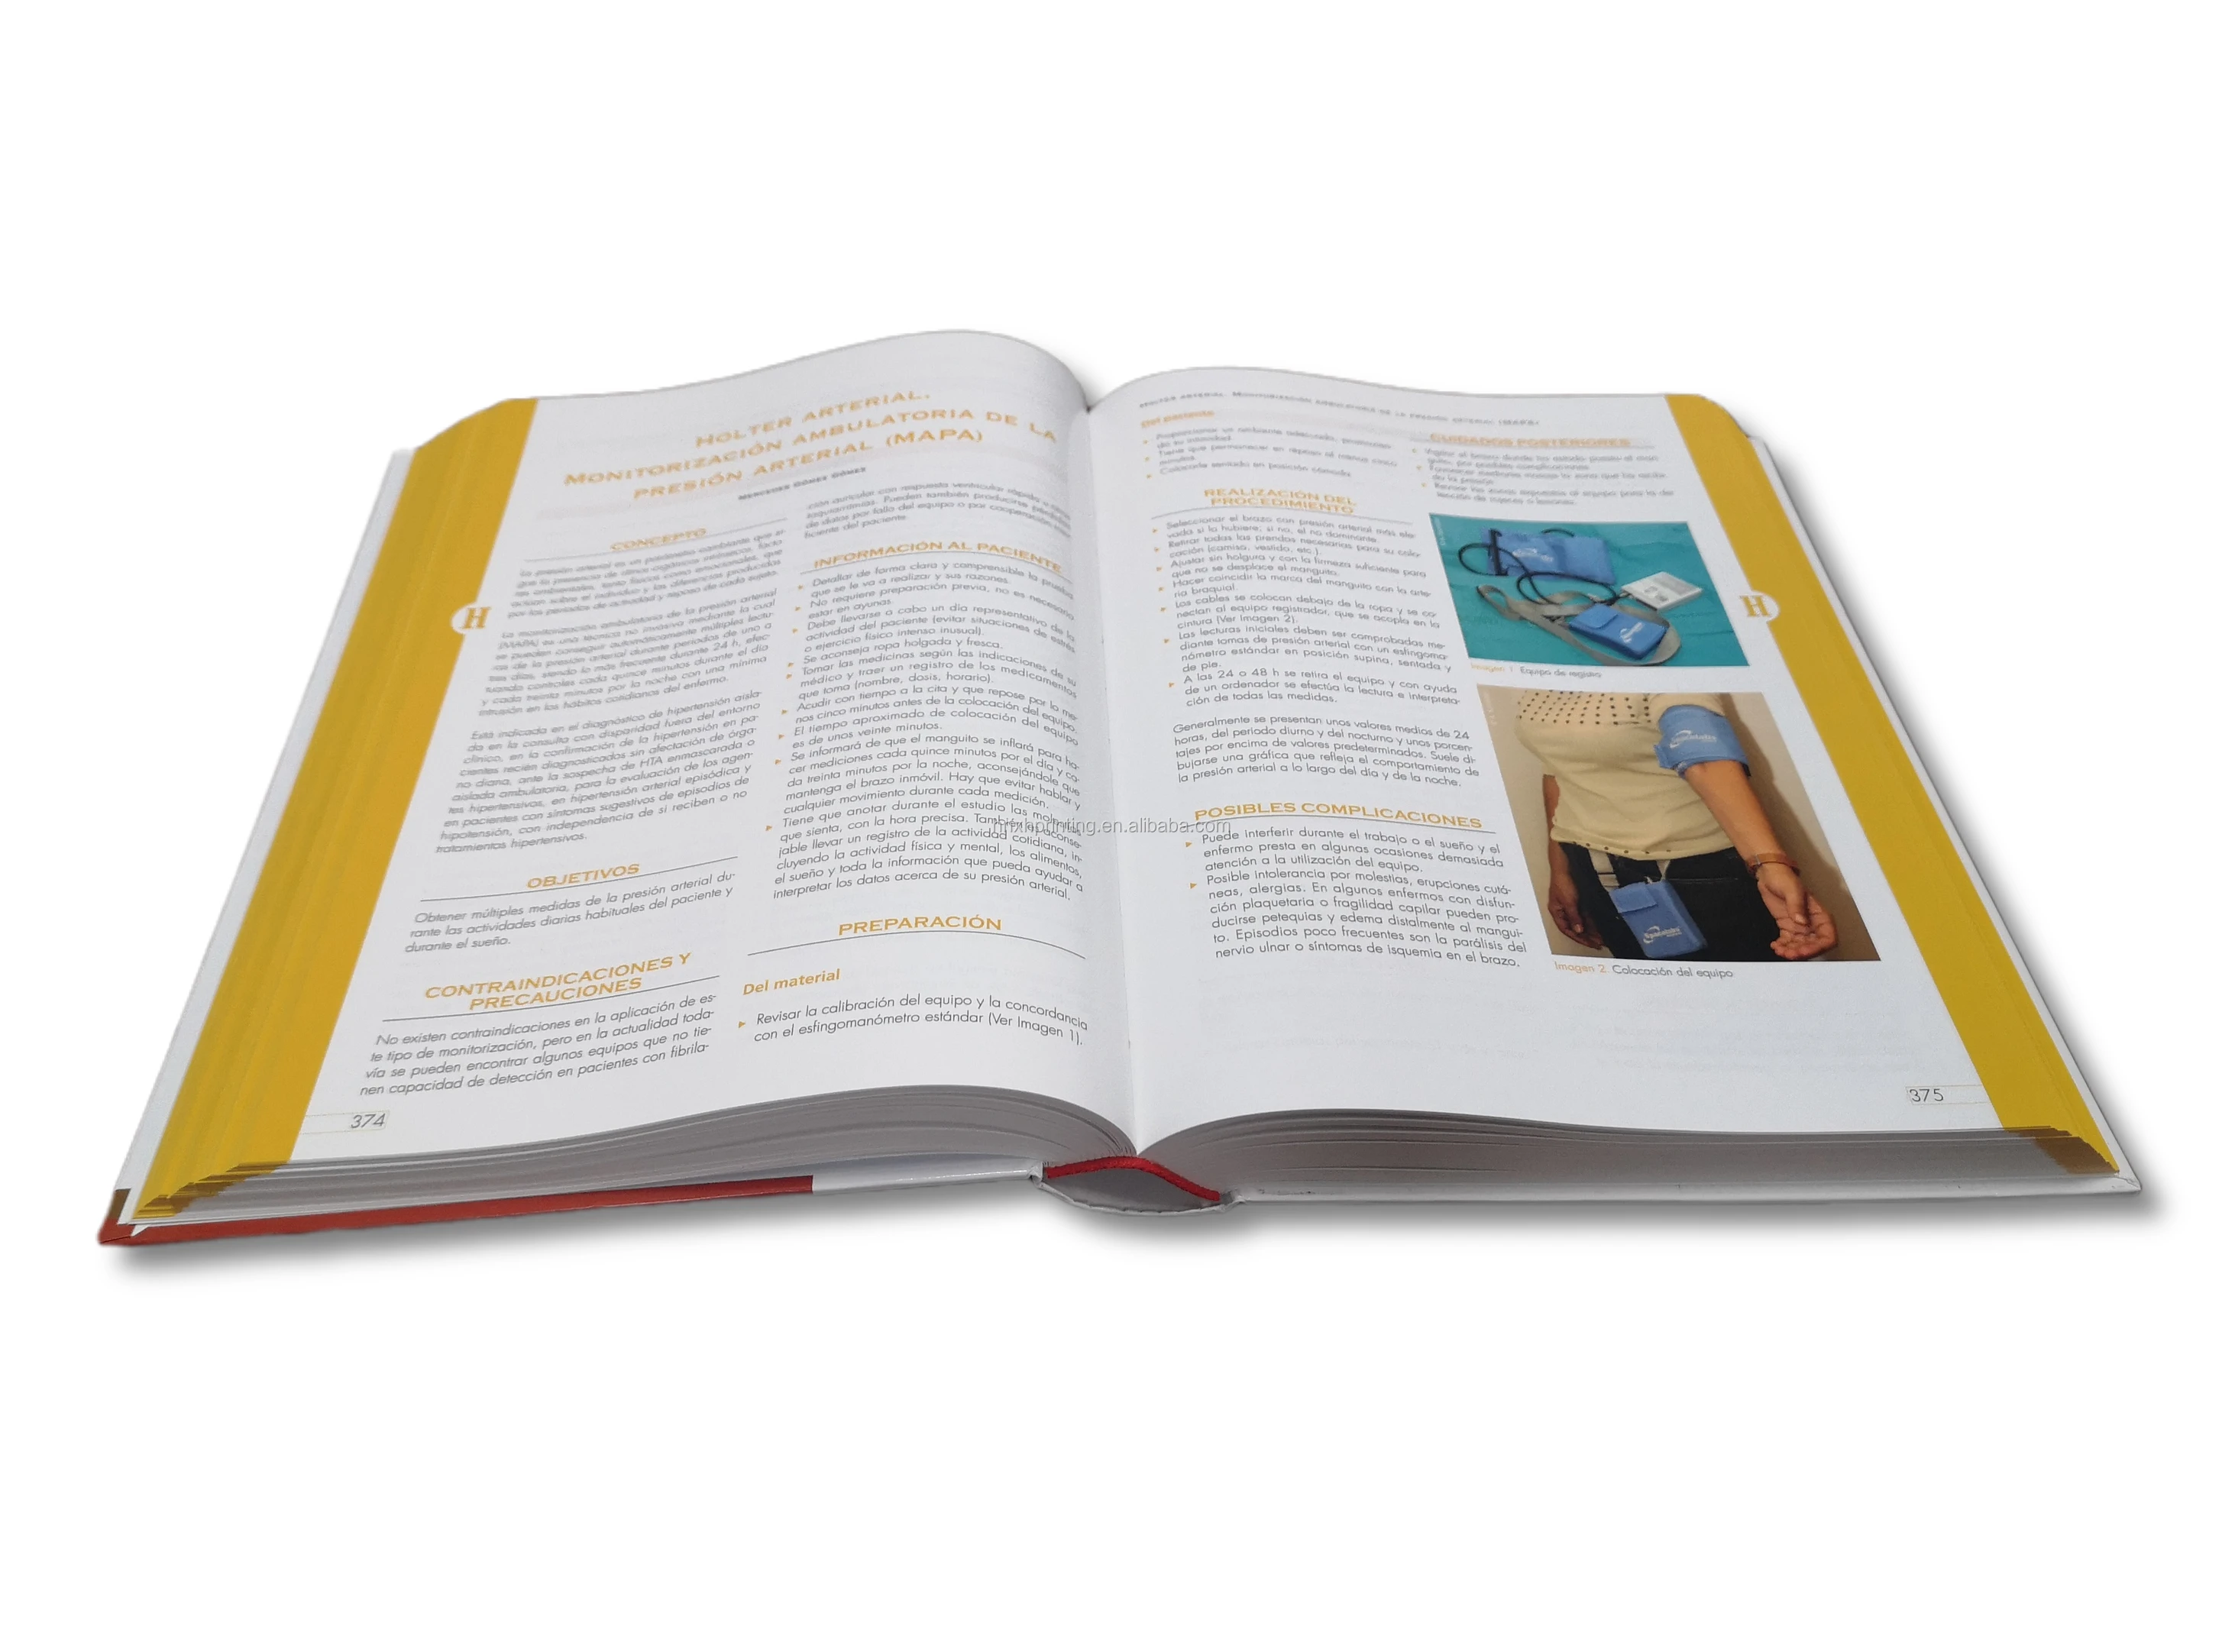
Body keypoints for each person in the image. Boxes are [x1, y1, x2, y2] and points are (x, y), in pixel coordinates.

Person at [1513, 690, 1836, 962]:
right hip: (1595, 871)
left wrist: (1769, 863)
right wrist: (1560, 870)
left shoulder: (1662, 658)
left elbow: (1702, 754)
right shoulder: (1543, 669)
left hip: (1695, 872)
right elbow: (1555, 770)